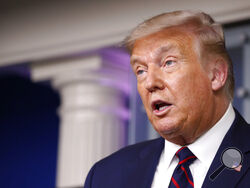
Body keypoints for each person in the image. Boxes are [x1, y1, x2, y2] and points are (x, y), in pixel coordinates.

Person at [84, 10, 250, 188]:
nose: (150, 83)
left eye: (168, 62)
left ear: (216, 75)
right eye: (141, 70)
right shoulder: (105, 176)